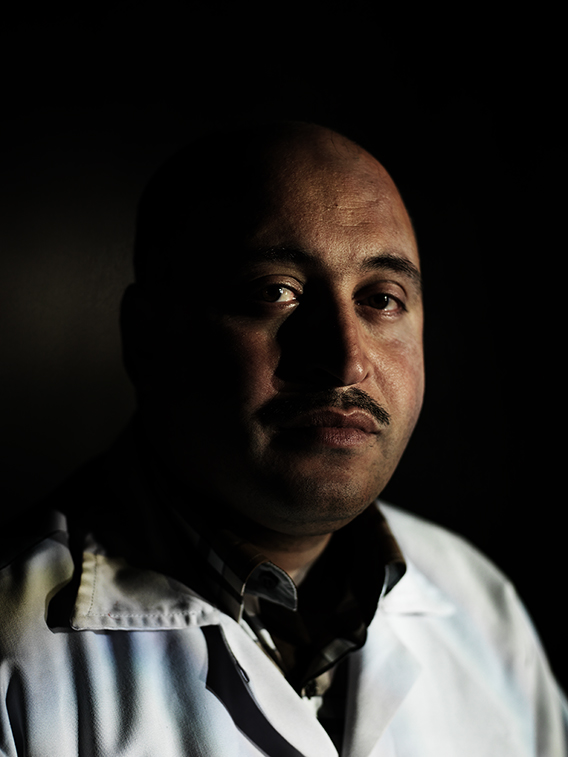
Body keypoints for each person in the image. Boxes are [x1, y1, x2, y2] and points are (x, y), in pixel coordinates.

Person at [0, 121, 566, 757]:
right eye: (276, 292)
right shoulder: (13, 658)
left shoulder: (485, 613)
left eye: (381, 299)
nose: (346, 360)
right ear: (147, 338)